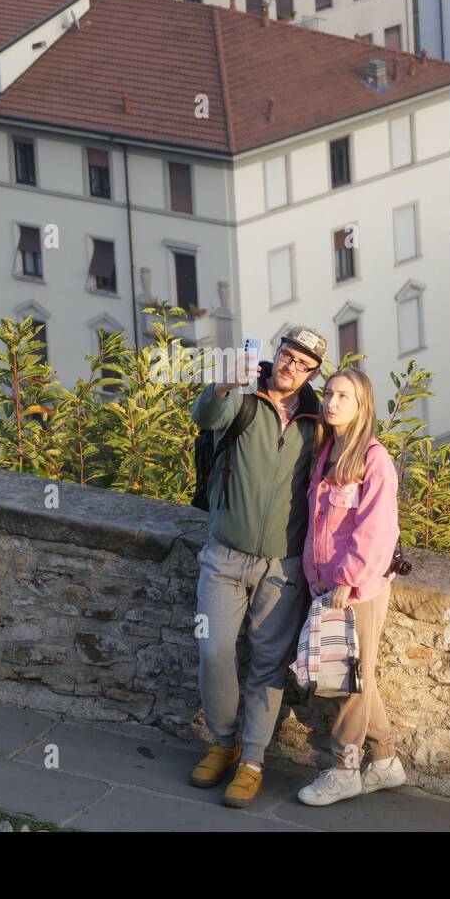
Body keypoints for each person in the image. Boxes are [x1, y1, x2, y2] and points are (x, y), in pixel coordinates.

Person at [189, 327, 328, 808]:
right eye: (288, 355)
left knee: (268, 665)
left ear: (313, 373)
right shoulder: (245, 401)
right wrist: (224, 384)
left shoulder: (316, 421)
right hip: (224, 554)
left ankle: (251, 760)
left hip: (282, 566)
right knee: (214, 650)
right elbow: (205, 416)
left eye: (304, 363)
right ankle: (221, 742)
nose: (292, 366)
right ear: (276, 353)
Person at [296, 366, 405, 806]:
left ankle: (345, 768)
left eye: (343, 397)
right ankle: (384, 761)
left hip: (356, 590)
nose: (331, 403)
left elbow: (377, 530)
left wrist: (347, 580)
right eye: (328, 394)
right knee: (358, 675)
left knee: (349, 681)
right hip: (326, 586)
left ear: (363, 406)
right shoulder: (327, 453)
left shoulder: (374, 459)